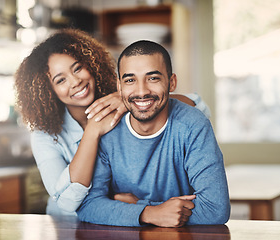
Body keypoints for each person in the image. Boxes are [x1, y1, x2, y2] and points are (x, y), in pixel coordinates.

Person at [14, 29, 210, 216]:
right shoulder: (45, 135)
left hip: (123, 221)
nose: (75, 81)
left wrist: (129, 99)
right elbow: (66, 201)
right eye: (60, 80)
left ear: (91, 64)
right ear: (48, 91)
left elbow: (199, 106)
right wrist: (92, 131)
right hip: (69, 226)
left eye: (78, 68)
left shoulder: (125, 101)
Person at [77, 40, 230, 227]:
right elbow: (88, 205)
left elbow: (216, 209)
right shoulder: (107, 130)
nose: (141, 91)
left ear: (171, 82)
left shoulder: (194, 125)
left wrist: (138, 207)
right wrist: (149, 213)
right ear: (119, 86)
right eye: (130, 80)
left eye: (153, 78)